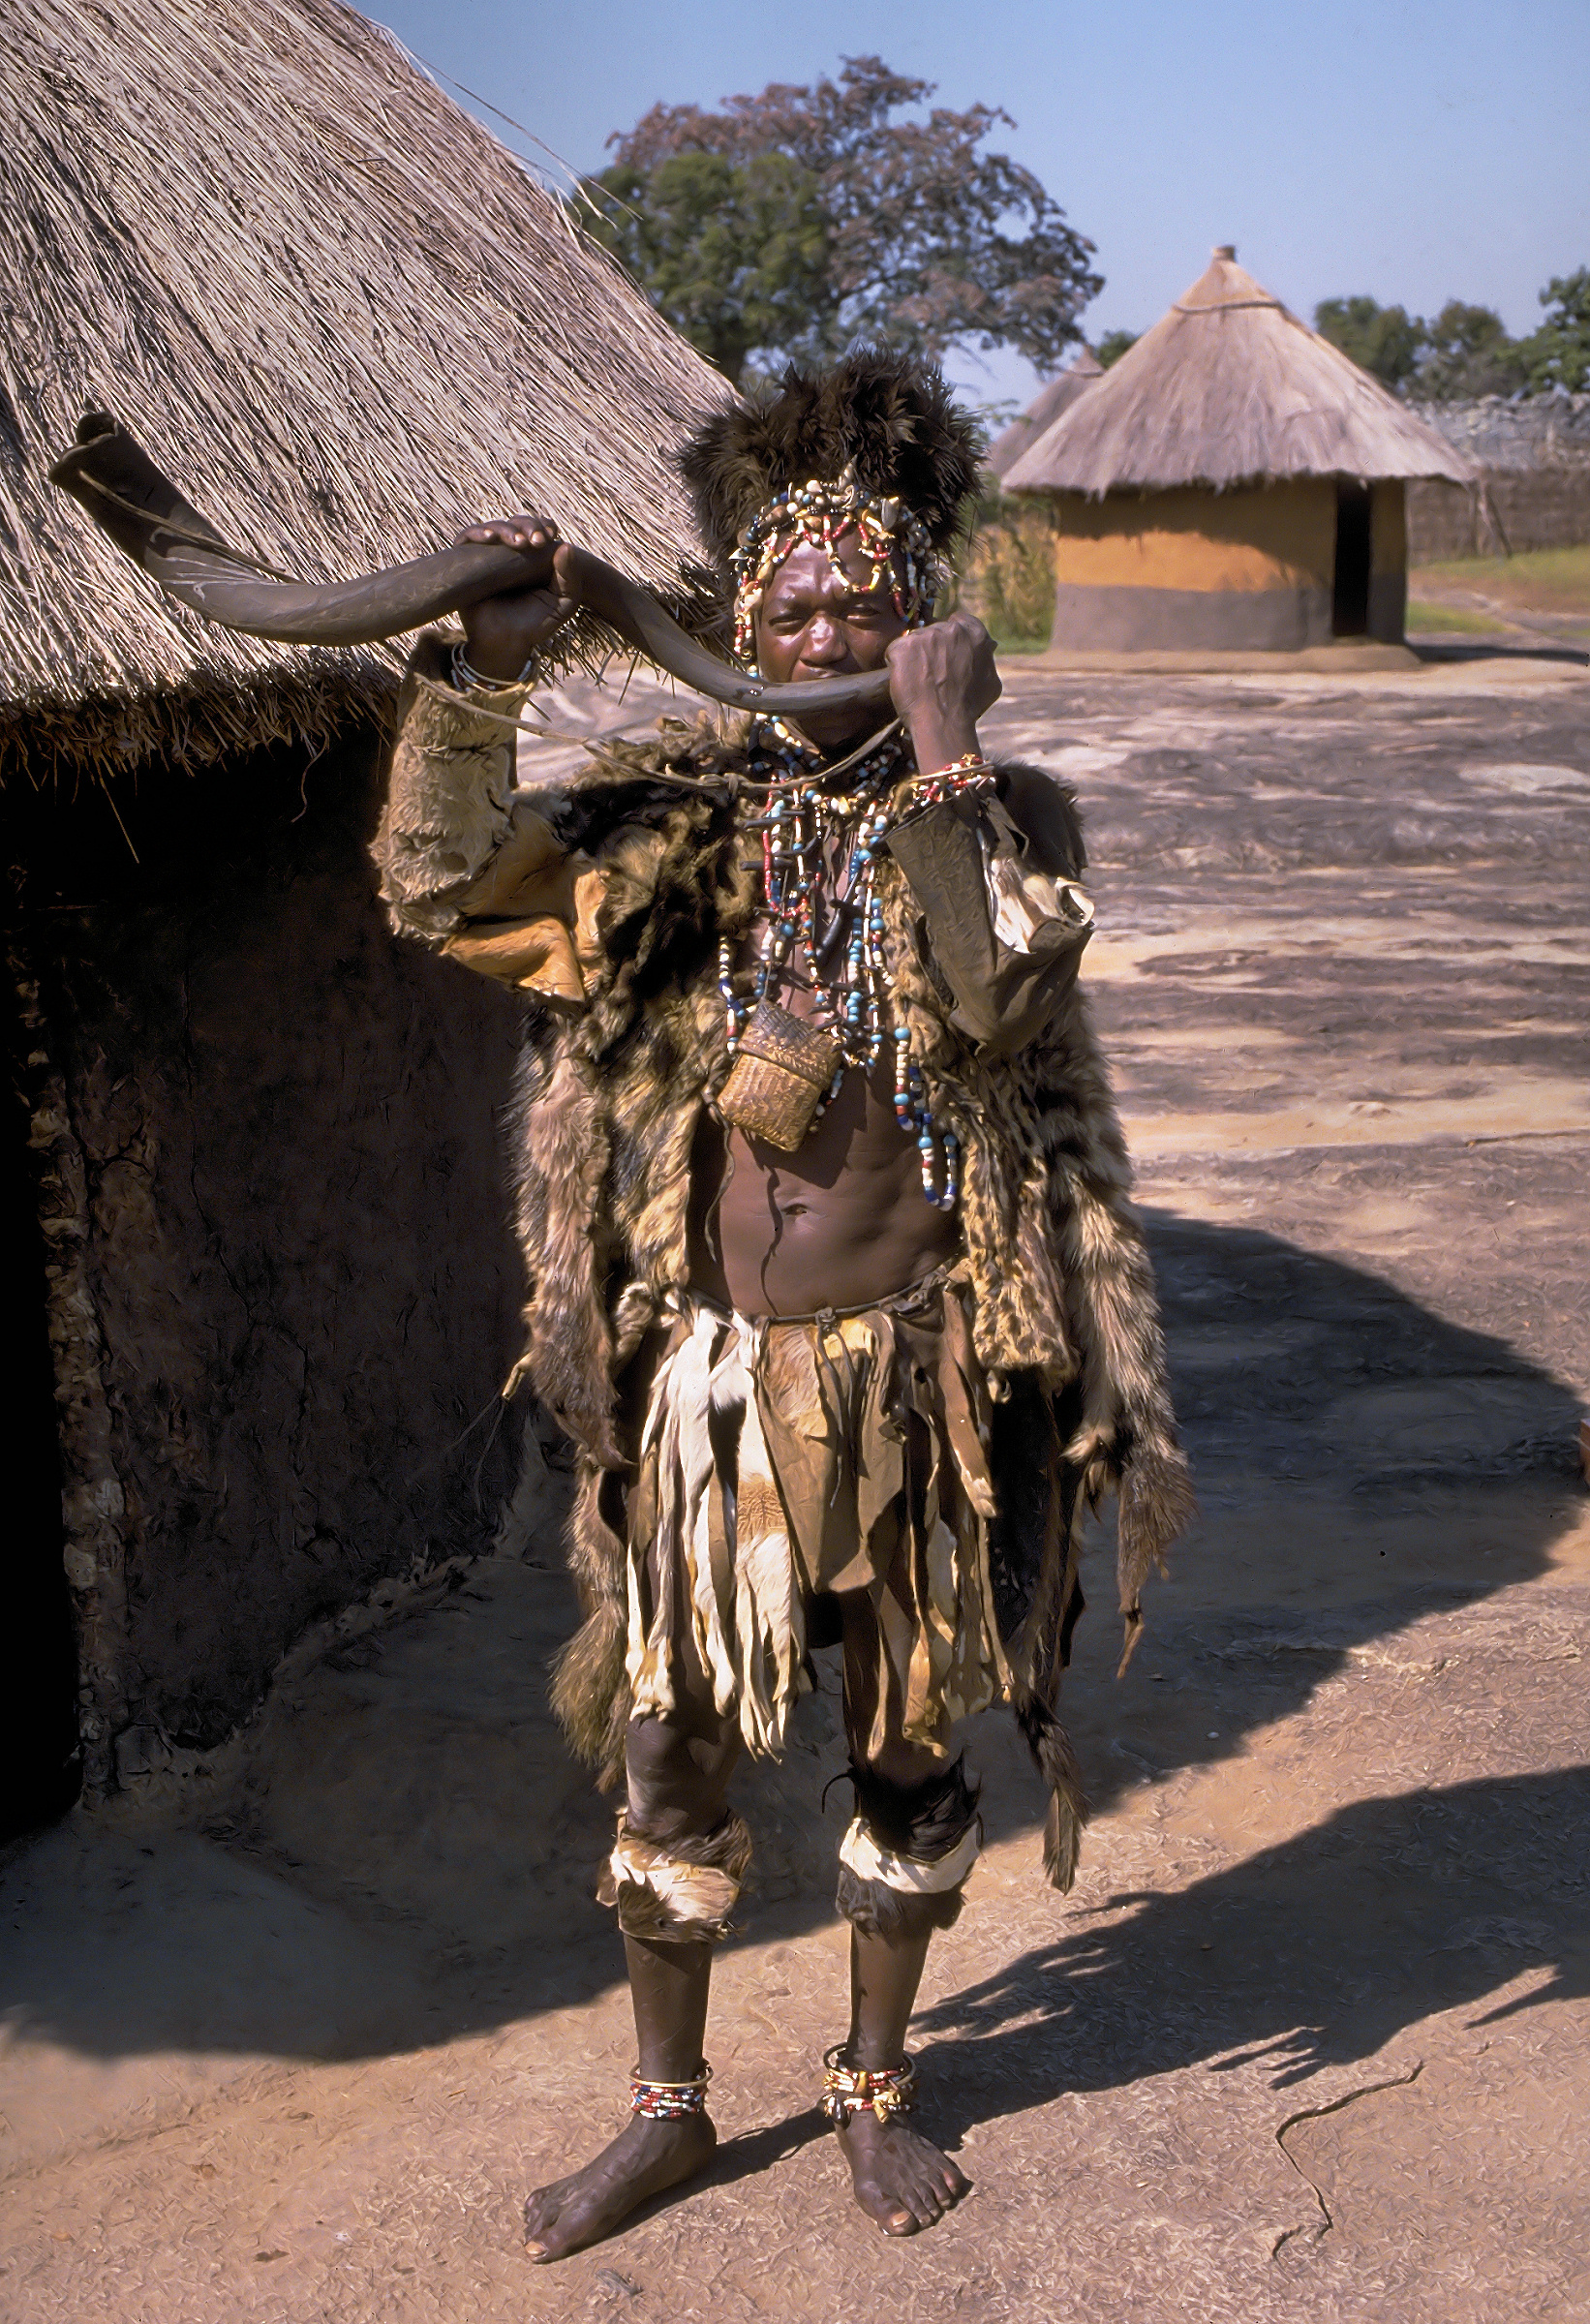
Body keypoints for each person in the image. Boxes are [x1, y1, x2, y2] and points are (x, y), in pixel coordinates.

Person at [375, 351, 1192, 2257]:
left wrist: (939, 765)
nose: (826, 615)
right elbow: (441, 889)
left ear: (918, 615)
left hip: (919, 1395)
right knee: (666, 1749)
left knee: (906, 1752)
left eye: (863, 591)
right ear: (738, 616)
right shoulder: (666, 831)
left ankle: (868, 2085)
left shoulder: (1004, 815)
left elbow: (994, 1004)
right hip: (712, 1399)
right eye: (793, 593)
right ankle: (665, 2109)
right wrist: (478, 673)